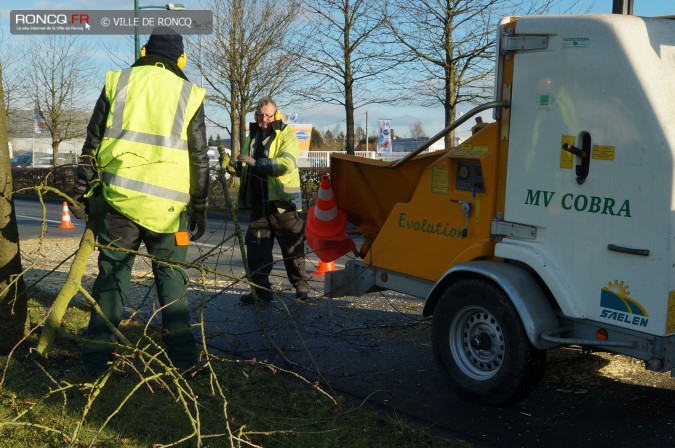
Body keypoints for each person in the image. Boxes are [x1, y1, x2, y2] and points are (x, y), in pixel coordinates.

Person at [72, 26, 209, 376]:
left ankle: (95, 362)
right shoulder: (188, 93)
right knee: (172, 282)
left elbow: (92, 143)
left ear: (145, 52)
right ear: (181, 59)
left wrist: (85, 191)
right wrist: (201, 205)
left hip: (119, 203)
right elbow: (199, 157)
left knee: (112, 283)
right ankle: (185, 364)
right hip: (170, 211)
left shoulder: (118, 82)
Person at [227, 97, 310, 304]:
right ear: (256, 115)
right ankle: (260, 291)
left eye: (268, 115)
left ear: (276, 115)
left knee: (292, 248)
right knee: (256, 249)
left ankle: (301, 289)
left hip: (283, 204)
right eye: (260, 115)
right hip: (259, 204)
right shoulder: (252, 136)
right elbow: (248, 166)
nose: (264, 119)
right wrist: (235, 167)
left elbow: (286, 164)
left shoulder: (287, 135)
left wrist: (255, 162)